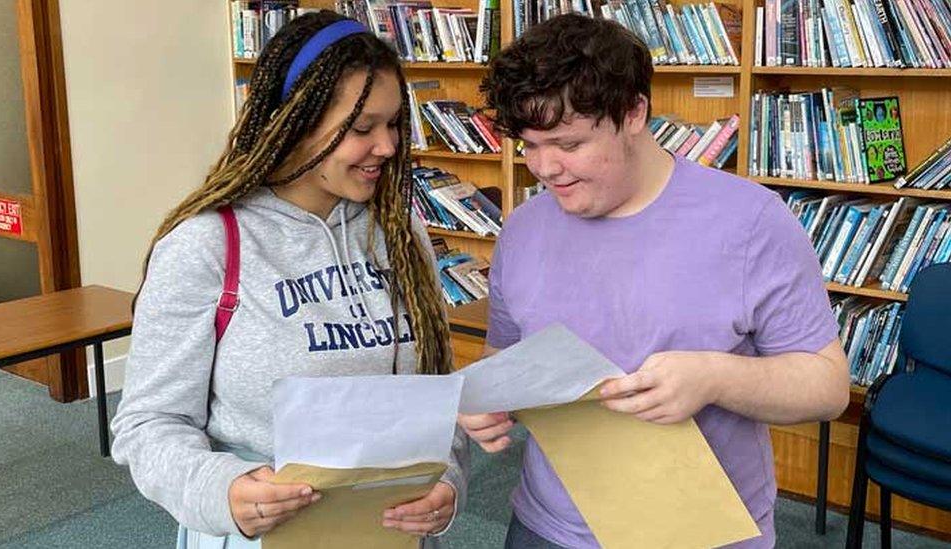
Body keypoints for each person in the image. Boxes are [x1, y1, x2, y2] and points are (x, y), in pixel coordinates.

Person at [458, 13, 850, 549]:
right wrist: (490, 400)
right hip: (548, 527)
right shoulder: (523, 228)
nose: (545, 168)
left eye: (569, 144)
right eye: (529, 144)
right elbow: (503, 359)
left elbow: (827, 388)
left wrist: (715, 378)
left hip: (699, 532)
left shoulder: (751, 222)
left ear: (634, 111)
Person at [111, 11, 468, 548]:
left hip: (392, 532)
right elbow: (148, 424)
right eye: (362, 127)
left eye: (394, 124)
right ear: (293, 121)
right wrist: (221, 491)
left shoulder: (399, 229)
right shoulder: (206, 244)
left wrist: (447, 484)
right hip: (264, 533)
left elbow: (436, 394)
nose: (389, 146)